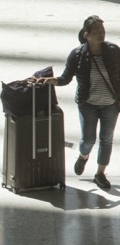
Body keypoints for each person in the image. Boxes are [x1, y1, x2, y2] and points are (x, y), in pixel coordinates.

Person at [40, 15, 120, 190]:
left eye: (103, 31)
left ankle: (100, 174)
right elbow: (66, 78)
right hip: (88, 104)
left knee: (106, 140)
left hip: (111, 104)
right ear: (86, 34)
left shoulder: (114, 50)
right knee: (88, 139)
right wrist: (52, 80)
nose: (101, 35)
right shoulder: (77, 55)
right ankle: (83, 156)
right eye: (97, 32)